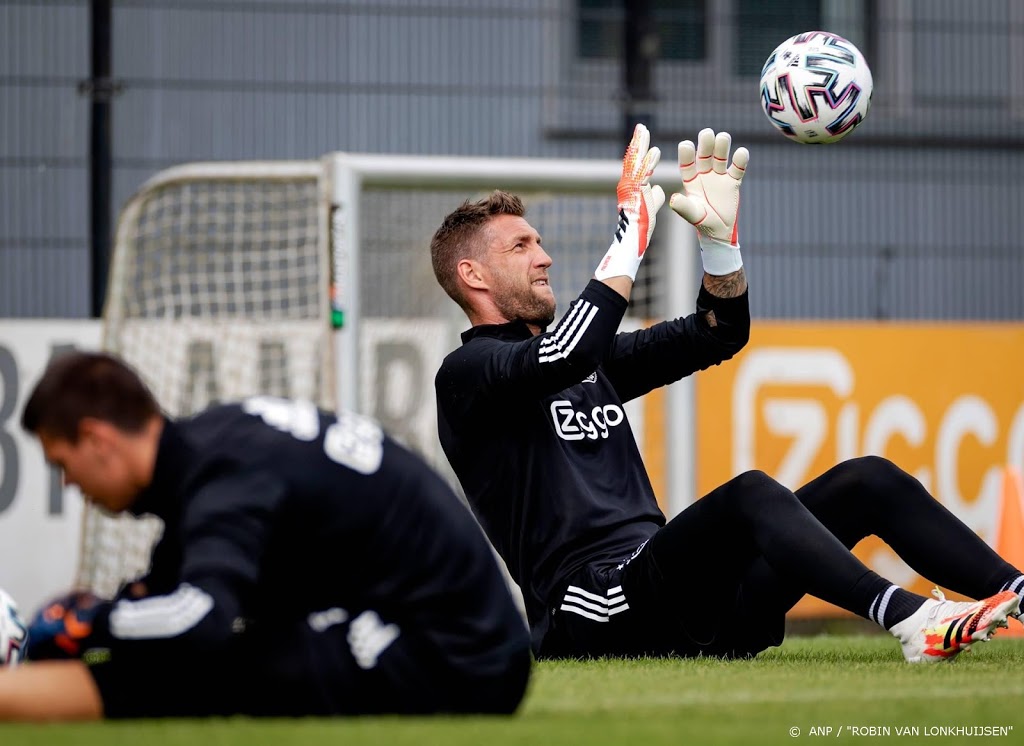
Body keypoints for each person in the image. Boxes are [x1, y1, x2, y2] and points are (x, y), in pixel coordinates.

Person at [430, 123, 1023, 665]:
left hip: (681, 596)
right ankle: (914, 620)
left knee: (868, 479)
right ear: (473, 276)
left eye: (538, 242)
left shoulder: (589, 360)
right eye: (521, 247)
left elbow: (717, 334)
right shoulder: (467, 373)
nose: (545, 256)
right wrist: (631, 236)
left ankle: (1018, 594)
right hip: (594, 610)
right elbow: (564, 353)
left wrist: (720, 245)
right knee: (748, 494)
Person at [0, 351, 531, 721]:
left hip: (455, 660)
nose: (70, 484)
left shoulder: (225, 480)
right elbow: (184, 579)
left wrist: (94, 623)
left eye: (62, 464)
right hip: (454, 635)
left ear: (96, 439)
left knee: (192, 674)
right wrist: (122, 610)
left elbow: (199, 620)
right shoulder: (216, 443)